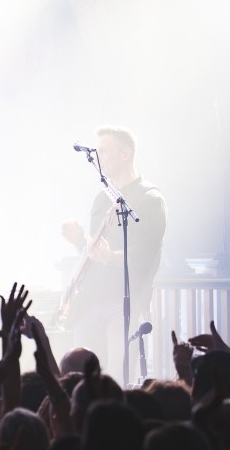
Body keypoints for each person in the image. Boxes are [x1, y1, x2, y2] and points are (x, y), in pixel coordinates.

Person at [60, 127, 167, 382]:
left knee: (118, 380)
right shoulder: (101, 198)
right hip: (89, 303)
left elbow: (146, 255)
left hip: (122, 305)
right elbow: (95, 253)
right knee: (80, 381)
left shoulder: (150, 198)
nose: (98, 157)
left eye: (104, 151)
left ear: (124, 154)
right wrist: (79, 242)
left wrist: (111, 257)